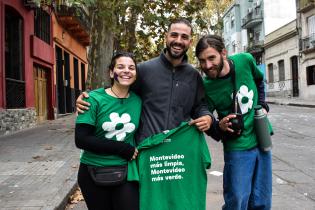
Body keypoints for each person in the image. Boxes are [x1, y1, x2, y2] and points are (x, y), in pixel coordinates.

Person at [76, 18, 213, 143]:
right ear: (166, 37)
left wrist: (208, 117)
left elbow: (200, 106)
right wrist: (90, 99)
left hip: (178, 148)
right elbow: (119, 92)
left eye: (184, 37)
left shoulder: (194, 76)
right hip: (146, 148)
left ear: (190, 41)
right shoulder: (143, 70)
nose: (178, 40)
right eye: (174, 35)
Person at [196, 34, 272, 210]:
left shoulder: (245, 60)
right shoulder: (206, 87)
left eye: (211, 58)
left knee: (262, 199)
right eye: (202, 61)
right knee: (237, 200)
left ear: (223, 53)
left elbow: (259, 80)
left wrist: (263, 106)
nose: (207, 65)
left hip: (261, 137)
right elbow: (207, 120)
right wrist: (219, 126)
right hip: (237, 147)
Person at [75, 52, 141, 210]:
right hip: (93, 171)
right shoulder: (92, 99)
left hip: (126, 172)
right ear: (112, 72)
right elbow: (81, 140)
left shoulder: (139, 100)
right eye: (121, 67)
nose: (126, 70)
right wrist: (122, 148)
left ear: (136, 74)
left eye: (131, 68)